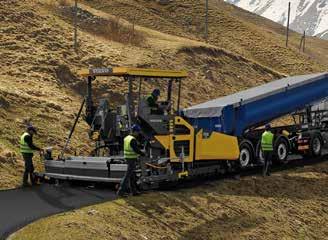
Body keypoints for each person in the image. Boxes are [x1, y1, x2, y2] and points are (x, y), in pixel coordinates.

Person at [117, 124, 145, 197]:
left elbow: (132, 147)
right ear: (135, 131)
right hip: (131, 159)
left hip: (128, 158)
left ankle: (134, 191)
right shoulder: (132, 139)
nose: (138, 133)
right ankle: (120, 192)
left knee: (132, 176)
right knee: (127, 176)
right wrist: (142, 153)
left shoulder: (127, 138)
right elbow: (136, 150)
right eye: (138, 132)